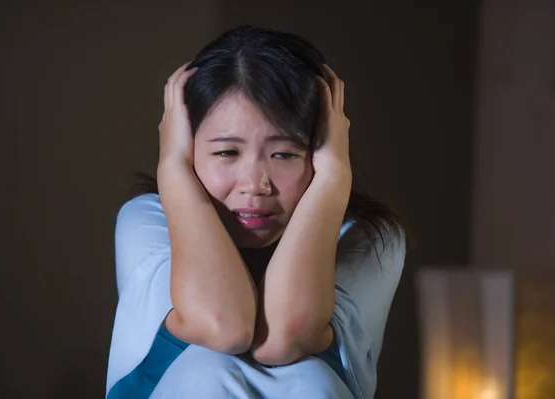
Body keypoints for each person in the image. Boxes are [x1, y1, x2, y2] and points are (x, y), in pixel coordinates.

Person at [106, 25, 407, 399]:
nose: (255, 184)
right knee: (208, 369)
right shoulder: (147, 220)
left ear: (321, 150)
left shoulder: (367, 239)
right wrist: (173, 170)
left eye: (284, 154)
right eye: (226, 152)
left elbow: (281, 337)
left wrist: (333, 178)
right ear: (186, 147)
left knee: (308, 380)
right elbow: (224, 325)